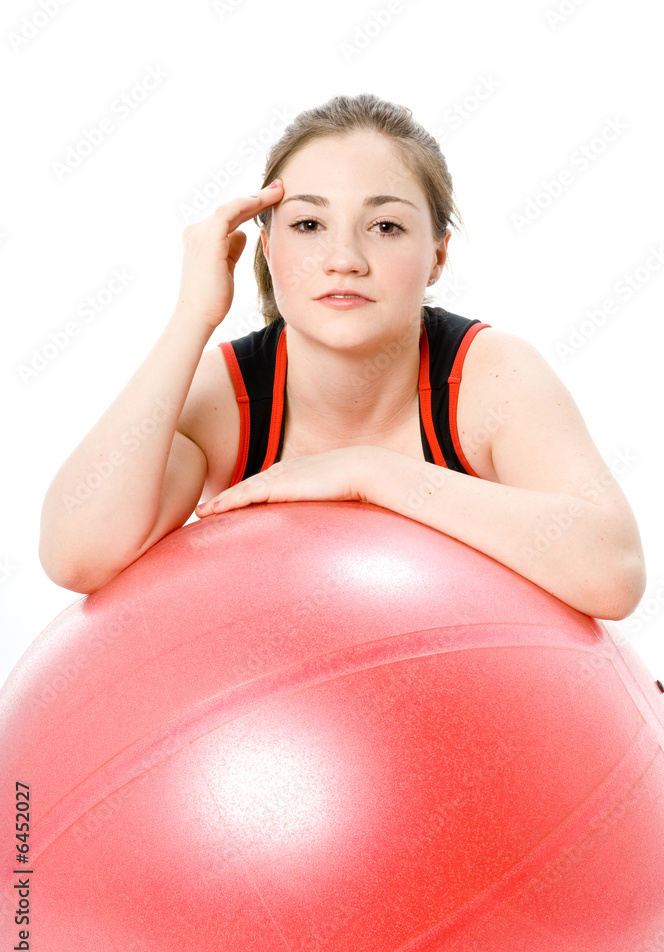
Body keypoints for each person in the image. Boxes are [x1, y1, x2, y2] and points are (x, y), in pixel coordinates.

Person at [38, 93, 645, 619]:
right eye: (308, 224)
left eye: (384, 226)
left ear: (437, 255)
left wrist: (367, 473)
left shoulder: (490, 375)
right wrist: (189, 319)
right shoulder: (230, 394)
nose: (344, 258)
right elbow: (77, 555)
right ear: (268, 248)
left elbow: (613, 574)